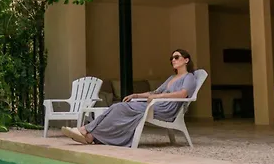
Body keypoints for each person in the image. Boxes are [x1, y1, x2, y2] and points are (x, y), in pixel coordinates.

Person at [61, 49, 197, 147]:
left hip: (165, 109)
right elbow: (154, 91)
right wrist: (136, 95)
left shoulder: (189, 77)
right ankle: (91, 134)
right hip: (155, 105)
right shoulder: (172, 78)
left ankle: (86, 130)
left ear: (186, 60)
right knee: (117, 107)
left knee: (119, 107)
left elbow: (183, 94)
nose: (173, 60)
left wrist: (159, 96)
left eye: (176, 57)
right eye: (172, 58)